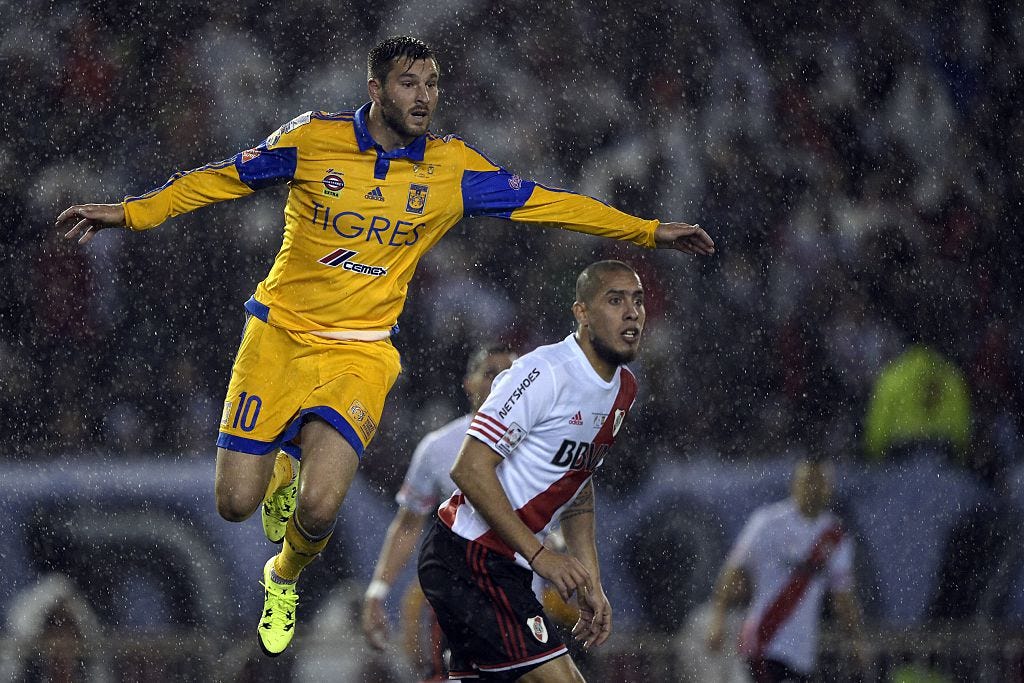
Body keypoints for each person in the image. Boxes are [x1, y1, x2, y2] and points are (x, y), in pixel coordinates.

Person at [54, 36, 714, 657]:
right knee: (234, 502)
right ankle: (282, 459)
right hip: (278, 336)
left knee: (319, 505)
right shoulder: (314, 139)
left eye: (432, 84)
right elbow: (223, 176)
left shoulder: (451, 167)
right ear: (376, 89)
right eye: (409, 84)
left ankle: (281, 577)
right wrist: (132, 211)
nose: (424, 97)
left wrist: (650, 231)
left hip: (362, 352)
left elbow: (552, 203)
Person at [417, 260, 647, 681]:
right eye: (614, 300)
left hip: (502, 565)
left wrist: (590, 581)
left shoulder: (624, 389)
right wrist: (542, 556)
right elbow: (468, 469)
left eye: (637, 300)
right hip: (469, 555)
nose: (631, 312)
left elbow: (578, 484)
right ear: (581, 313)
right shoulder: (542, 373)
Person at [361, 343, 517, 679]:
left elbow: (565, 517)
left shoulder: (545, 444)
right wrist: (378, 590)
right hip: (459, 607)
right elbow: (407, 525)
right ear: (469, 383)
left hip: (525, 607)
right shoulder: (439, 448)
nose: (500, 383)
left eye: (510, 375)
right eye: (490, 373)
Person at [706, 459, 868, 683]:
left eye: (821, 483)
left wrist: (855, 640)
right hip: (763, 640)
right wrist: (718, 618)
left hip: (802, 652)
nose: (814, 489)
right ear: (795, 484)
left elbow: (842, 597)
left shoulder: (835, 536)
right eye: (809, 482)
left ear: (830, 487)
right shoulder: (767, 522)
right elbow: (733, 569)